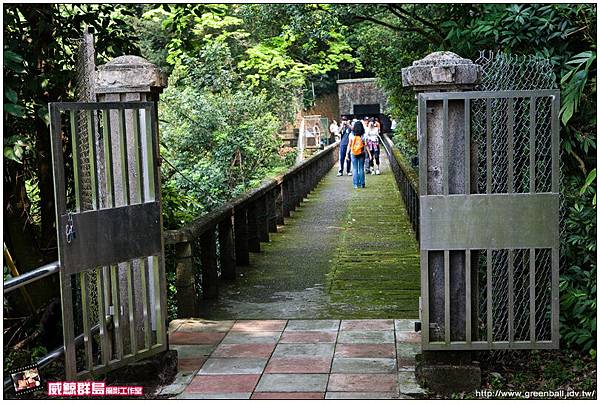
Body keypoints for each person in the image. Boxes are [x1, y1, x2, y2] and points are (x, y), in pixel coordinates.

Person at [346, 119, 371, 189]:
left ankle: (356, 184)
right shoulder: (364, 135)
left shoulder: (351, 135)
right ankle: (362, 184)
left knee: (354, 169)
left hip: (353, 153)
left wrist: (347, 154)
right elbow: (366, 145)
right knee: (361, 168)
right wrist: (369, 154)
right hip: (361, 153)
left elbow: (349, 145)